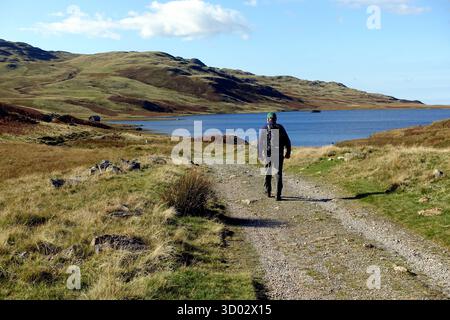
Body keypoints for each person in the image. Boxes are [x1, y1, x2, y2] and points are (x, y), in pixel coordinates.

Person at [258, 112, 291, 201]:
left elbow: (260, 143)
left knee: (267, 172)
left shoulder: (264, 128)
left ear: (268, 119)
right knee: (278, 174)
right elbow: (287, 141)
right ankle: (278, 195)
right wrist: (288, 153)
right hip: (279, 154)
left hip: (268, 154)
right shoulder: (281, 127)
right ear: (275, 119)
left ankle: (268, 191)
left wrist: (260, 155)